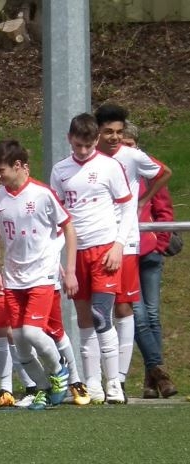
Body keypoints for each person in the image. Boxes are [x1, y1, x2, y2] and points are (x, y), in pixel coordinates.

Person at [0, 139, 77, 410]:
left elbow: (69, 228)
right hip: (13, 278)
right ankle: (44, 389)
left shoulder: (42, 194)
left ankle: (59, 371)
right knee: (20, 342)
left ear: (18, 165)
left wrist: (70, 270)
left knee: (33, 333)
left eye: (1, 170)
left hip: (42, 276)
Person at [50, 112, 134, 404]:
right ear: (69, 139)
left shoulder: (110, 167)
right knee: (84, 318)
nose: (83, 151)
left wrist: (118, 245)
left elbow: (127, 208)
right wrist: (62, 263)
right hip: (76, 253)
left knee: (101, 315)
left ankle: (114, 384)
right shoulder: (60, 170)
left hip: (104, 249)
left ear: (96, 140)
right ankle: (92, 383)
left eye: (88, 145)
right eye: (78, 145)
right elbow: (56, 218)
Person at [93, 104, 171, 396]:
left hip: (128, 242)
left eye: (119, 132)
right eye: (109, 132)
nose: (115, 137)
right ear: (98, 132)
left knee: (131, 310)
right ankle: (99, 380)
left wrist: (143, 199)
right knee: (99, 312)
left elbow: (164, 173)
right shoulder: (90, 158)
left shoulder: (132, 155)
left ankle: (121, 380)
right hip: (97, 240)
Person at [122, 122, 179, 399]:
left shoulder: (147, 171)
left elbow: (164, 210)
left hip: (149, 251)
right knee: (140, 316)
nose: (127, 150)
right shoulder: (111, 170)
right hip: (125, 252)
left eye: (131, 145)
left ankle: (151, 380)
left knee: (153, 315)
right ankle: (160, 375)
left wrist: (160, 242)